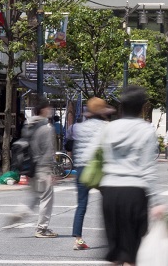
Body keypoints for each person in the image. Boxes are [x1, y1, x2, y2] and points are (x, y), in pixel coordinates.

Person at [94, 85, 158, 264]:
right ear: (142, 107)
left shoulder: (109, 128)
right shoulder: (145, 129)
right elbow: (148, 169)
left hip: (110, 191)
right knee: (132, 252)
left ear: (121, 106)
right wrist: (157, 201)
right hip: (134, 191)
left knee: (115, 252)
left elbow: (96, 157)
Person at [7, 99, 58, 238]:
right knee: (46, 198)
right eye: (49, 108)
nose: (51, 110)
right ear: (43, 110)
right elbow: (48, 150)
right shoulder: (46, 128)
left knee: (35, 196)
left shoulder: (28, 125)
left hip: (30, 166)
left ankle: (19, 213)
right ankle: (42, 229)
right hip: (43, 167)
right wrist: (51, 170)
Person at [71, 97, 114, 251]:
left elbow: (71, 142)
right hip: (98, 169)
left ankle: (78, 239)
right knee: (110, 202)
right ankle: (113, 237)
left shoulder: (79, 127)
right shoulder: (106, 126)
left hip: (82, 169)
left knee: (81, 204)